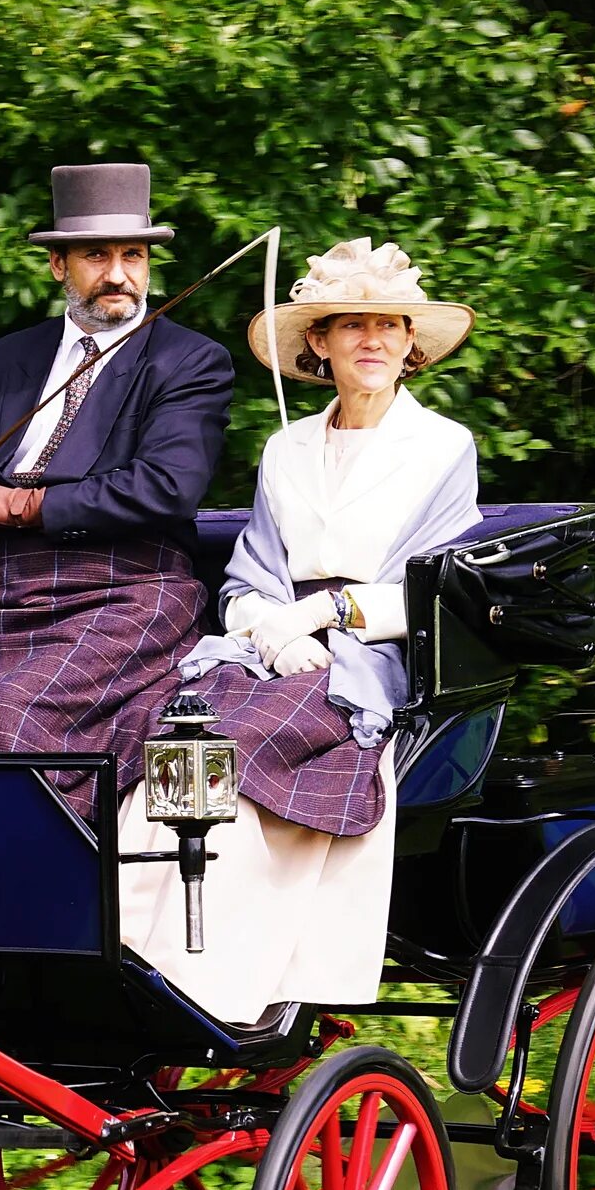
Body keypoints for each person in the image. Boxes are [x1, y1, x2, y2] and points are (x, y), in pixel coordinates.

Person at [117, 238, 482, 1024]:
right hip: (270, 647)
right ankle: (123, 951)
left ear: (411, 341)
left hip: (374, 654)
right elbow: (249, 577)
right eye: (353, 325)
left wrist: (324, 614)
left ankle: (213, 978)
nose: (374, 342)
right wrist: (274, 634)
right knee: (168, 736)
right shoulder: (286, 450)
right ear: (320, 342)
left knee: (242, 750)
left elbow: (432, 583)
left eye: (389, 325)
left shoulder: (444, 448)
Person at [0, 163, 236, 813]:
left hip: (128, 594)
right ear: (59, 265)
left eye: (133, 255)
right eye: (96, 255)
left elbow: (167, 487)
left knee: (10, 715)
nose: (118, 274)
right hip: (5, 595)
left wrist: (29, 505)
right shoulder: (11, 356)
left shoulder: (188, 360)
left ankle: (21, 904)